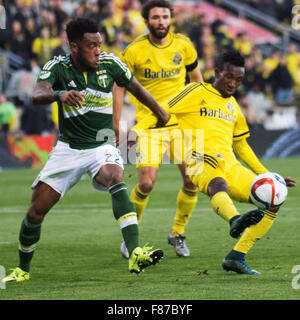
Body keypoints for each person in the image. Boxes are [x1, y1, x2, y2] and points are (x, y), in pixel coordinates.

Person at [2, 18, 170, 283]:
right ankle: (23, 269)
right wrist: (59, 95)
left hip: (100, 145)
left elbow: (135, 87)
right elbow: (37, 94)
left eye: (99, 44)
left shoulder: (110, 64)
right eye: (92, 45)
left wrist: (160, 111)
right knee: (35, 213)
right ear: (74, 46)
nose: (97, 50)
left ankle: (135, 251)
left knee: (116, 176)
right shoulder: (57, 67)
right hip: (68, 149)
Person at [131, 50, 296, 274]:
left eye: (238, 79)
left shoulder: (233, 107)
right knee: (218, 184)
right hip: (199, 159)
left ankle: (236, 256)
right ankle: (234, 219)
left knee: (274, 200)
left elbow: (241, 146)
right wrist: (137, 131)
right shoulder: (194, 90)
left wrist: (268, 176)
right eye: (229, 77)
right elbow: (161, 111)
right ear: (217, 72)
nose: (233, 84)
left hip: (230, 165)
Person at [114, 0, 203, 259]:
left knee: (192, 181)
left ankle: (177, 233)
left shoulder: (184, 45)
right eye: (156, 17)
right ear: (146, 21)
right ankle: (131, 237)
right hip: (149, 126)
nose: (161, 21)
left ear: (170, 19)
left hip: (183, 124)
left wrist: (200, 113)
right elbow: (118, 86)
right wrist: (117, 123)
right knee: (146, 184)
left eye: (165, 16)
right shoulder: (134, 50)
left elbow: (197, 80)